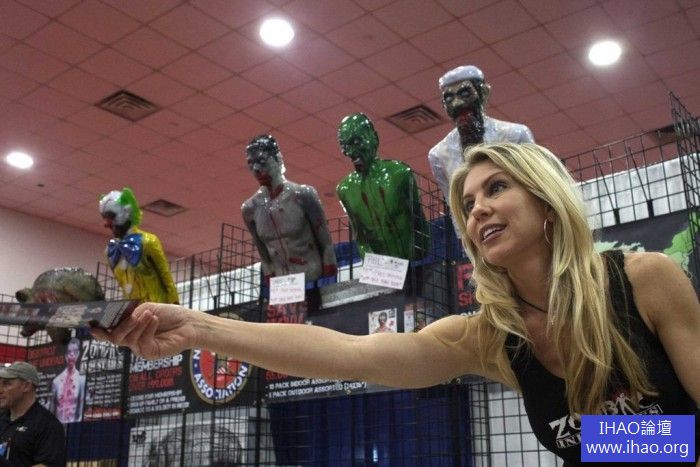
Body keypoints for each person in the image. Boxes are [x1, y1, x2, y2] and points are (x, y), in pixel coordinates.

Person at [91, 143, 700, 466]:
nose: (479, 209)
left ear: (546, 201)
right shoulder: (491, 336)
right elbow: (349, 355)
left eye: (497, 188)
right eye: (468, 204)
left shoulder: (645, 280)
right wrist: (198, 327)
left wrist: (604, 441)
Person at [429, 65, 534, 206]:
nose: (457, 103)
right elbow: (455, 207)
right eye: (449, 99)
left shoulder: (515, 135)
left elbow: (534, 187)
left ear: (483, 93)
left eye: (465, 94)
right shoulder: (439, 155)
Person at [242, 135, 337, 284]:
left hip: (311, 280)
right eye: (251, 163)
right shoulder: (250, 209)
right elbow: (264, 257)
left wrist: (328, 283)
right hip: (281, 286)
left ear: (278, 158)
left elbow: (326, 245)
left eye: (261, 161)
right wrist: (270, 288)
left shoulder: (303, 195)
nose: (256, 169)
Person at [336, 113, 430, 260]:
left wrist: (419, 257)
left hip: (412, 261)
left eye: (356, 141)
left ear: (374, 138)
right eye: (344, 145)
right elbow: (360, 238)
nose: (349, 151)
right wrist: (373, 264)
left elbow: (419, 222)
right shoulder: (345, 189)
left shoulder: (399, 173)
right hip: (382, 268)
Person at [99, 188, 179, 304]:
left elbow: (166, 277)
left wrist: (174, 307)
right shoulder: (110, 251)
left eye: (111, 217)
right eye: (105, 218)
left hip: (156, 308)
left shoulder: (148, 241)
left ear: (126, 212)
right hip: (132, 311)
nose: (106, 224)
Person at [0, 361, 66, 466]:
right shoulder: (2, 419)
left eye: (7, 384)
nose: (0, 390)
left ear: (26, 386)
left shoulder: (47, 425)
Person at [50, 338, 86, 424]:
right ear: (65, 355)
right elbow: (52, 408)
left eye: (75, 352)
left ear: (78, 354)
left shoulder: (82, 380)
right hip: (57, 426)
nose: (72, 355)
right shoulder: (56, 381)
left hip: (74, 426)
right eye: (69, 352)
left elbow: (81, 409)